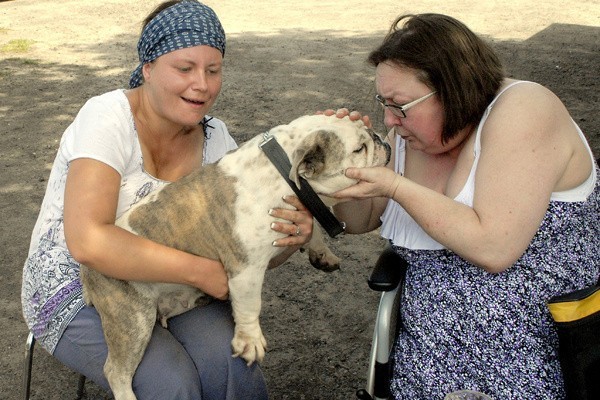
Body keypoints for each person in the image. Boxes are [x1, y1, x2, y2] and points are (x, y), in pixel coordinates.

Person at [21, 1, 314, 399]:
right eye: (184, 68)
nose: (203, 85)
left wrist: (288, 240)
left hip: (170, 284)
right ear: (147, 68)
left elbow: (245, 255)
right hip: (77, 282)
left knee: (234, 370)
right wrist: (201, 272)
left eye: (213, 70)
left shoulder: (218, 144)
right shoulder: (107, 118)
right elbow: (88, 242)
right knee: (170, 384)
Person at [331, 13, 599, 400]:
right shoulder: (409, 135)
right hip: (427, 360)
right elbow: (359, 220)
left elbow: (494, 247)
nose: (390, 119)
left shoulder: (524, 109)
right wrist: (341, 167)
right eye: (383, 103)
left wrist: (394, 184)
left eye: (400, 105)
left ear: (455, 90)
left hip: (535, 358)